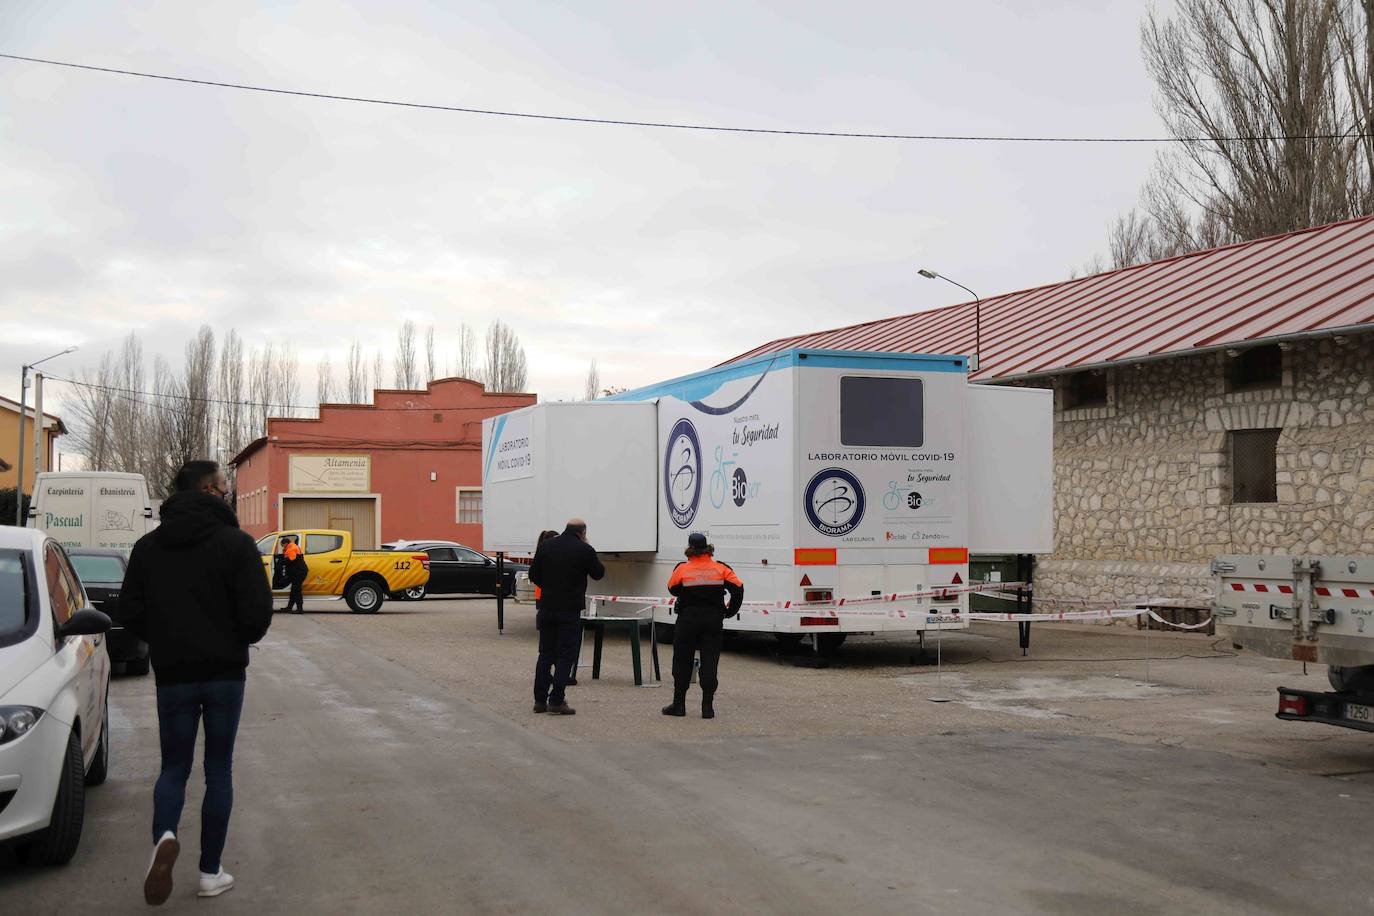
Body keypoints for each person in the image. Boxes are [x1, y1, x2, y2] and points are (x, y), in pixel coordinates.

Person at [120, 460, 273, 905]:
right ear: (209, 491)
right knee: (218, 769)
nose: (226, 496)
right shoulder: (238, 545)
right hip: (225, 676)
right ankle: (210, 873)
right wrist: (234, 638)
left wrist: (167, 638)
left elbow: (129, 614)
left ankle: (165, 836)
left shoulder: (148, 548)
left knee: (174, 767)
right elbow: (258, 614)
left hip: (174, 677)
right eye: (224, 490)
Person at [662, 533, 743, 720]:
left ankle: (679, 705)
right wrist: (730, 611)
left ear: (689, 548)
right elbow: (738, 589)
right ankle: (707, 708)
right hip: (713, 621)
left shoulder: (682, 568)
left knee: (682, 660)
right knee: (710, 660)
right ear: (708, 548)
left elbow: (672, 588)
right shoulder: (721, 568)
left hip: (687, 620)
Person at [527, 518, 604, 715]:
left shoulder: (546, 547)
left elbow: (533, 574)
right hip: (569, 610)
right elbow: (598, 573)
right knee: (565, 655)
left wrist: (551, 588)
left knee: (545, 653)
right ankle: (557, 700)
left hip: (547, 608)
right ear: (583, 532)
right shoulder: (584, 549)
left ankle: (539, 700)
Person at [279, 536, 308, 614]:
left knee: (297, 590)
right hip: (297, 572)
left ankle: (300, 609)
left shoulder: (291, 548)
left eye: (282, 545)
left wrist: (281, 561)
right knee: (294, 590)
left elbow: (290, 560)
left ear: (285, 543)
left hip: (299, 573)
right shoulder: (291, 546)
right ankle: (289, 607)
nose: (282, 546)